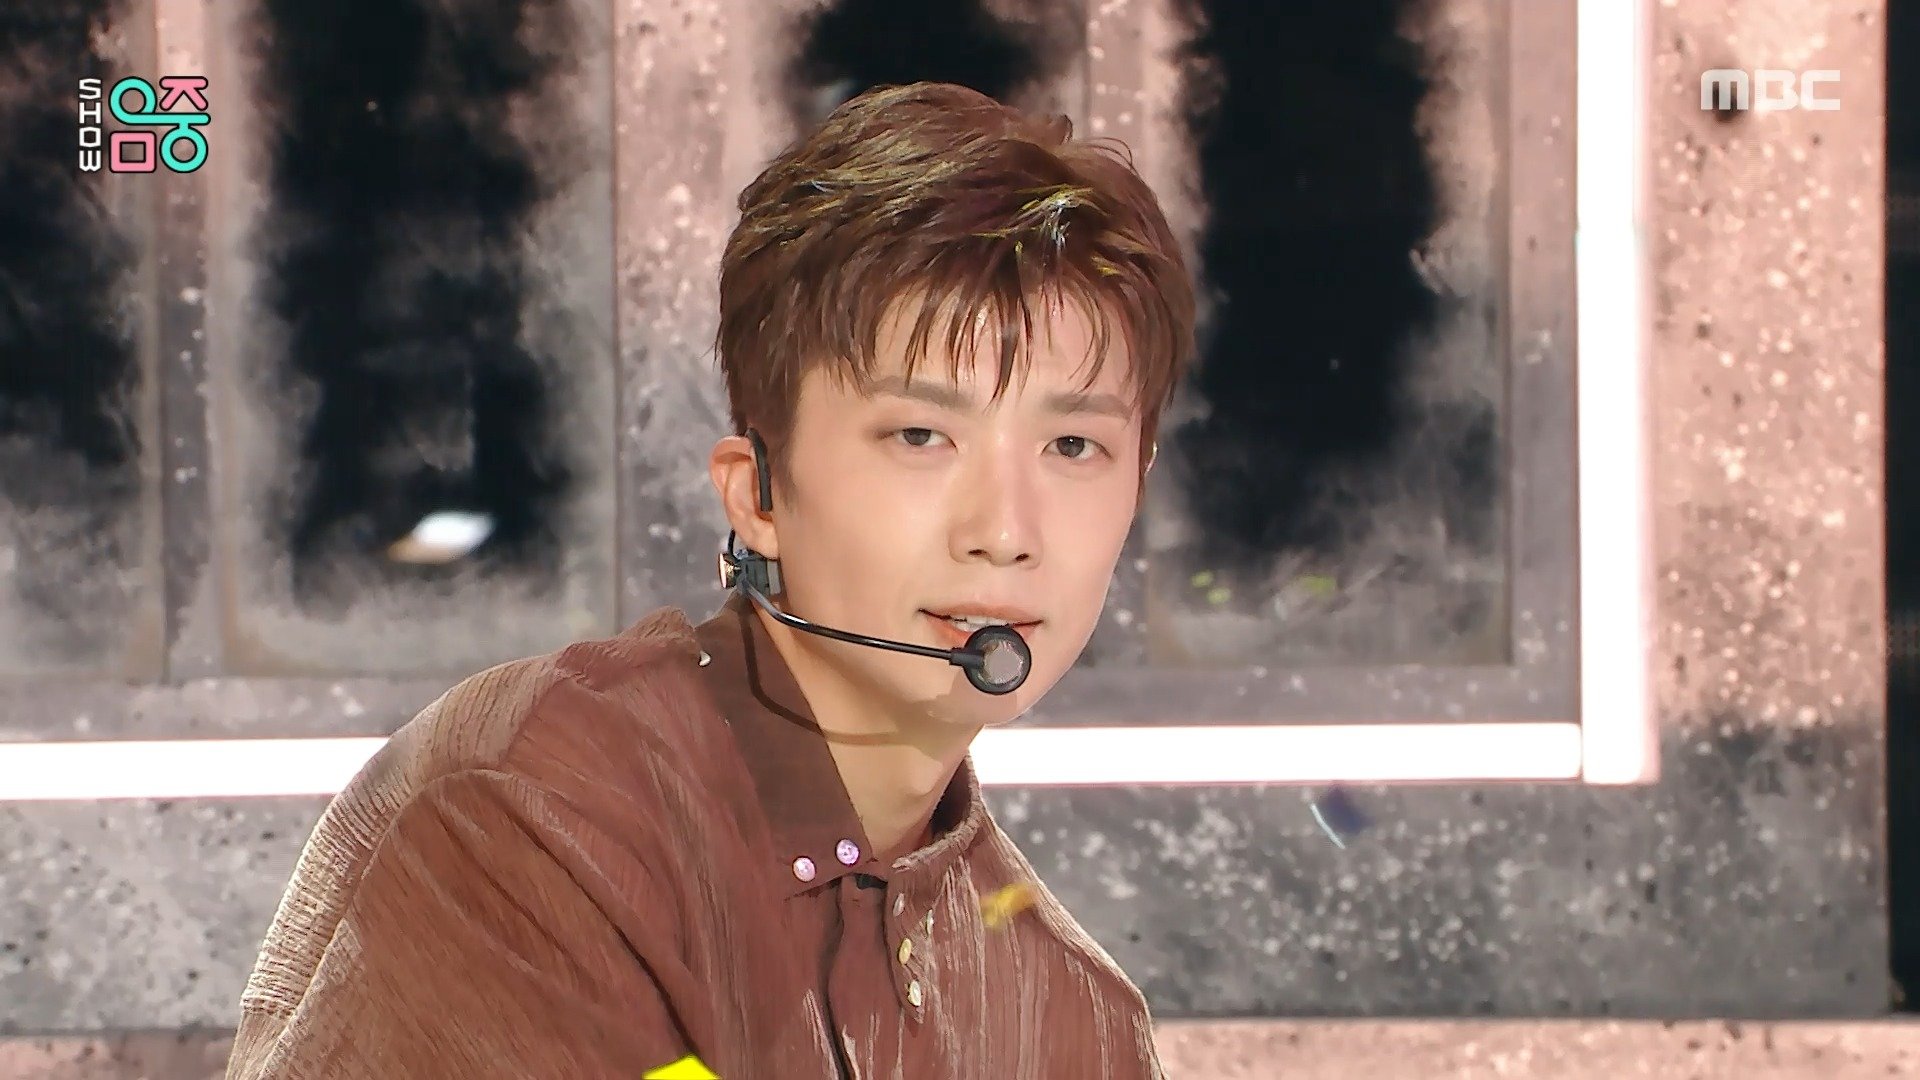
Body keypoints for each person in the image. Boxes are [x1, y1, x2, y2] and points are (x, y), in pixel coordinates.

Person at [224, 80, 1195, 1079]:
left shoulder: (1072, 1017)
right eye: (920, 435)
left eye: (1073, 447)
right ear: (757, 494)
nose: (1006, 532)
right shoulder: (547, 816)